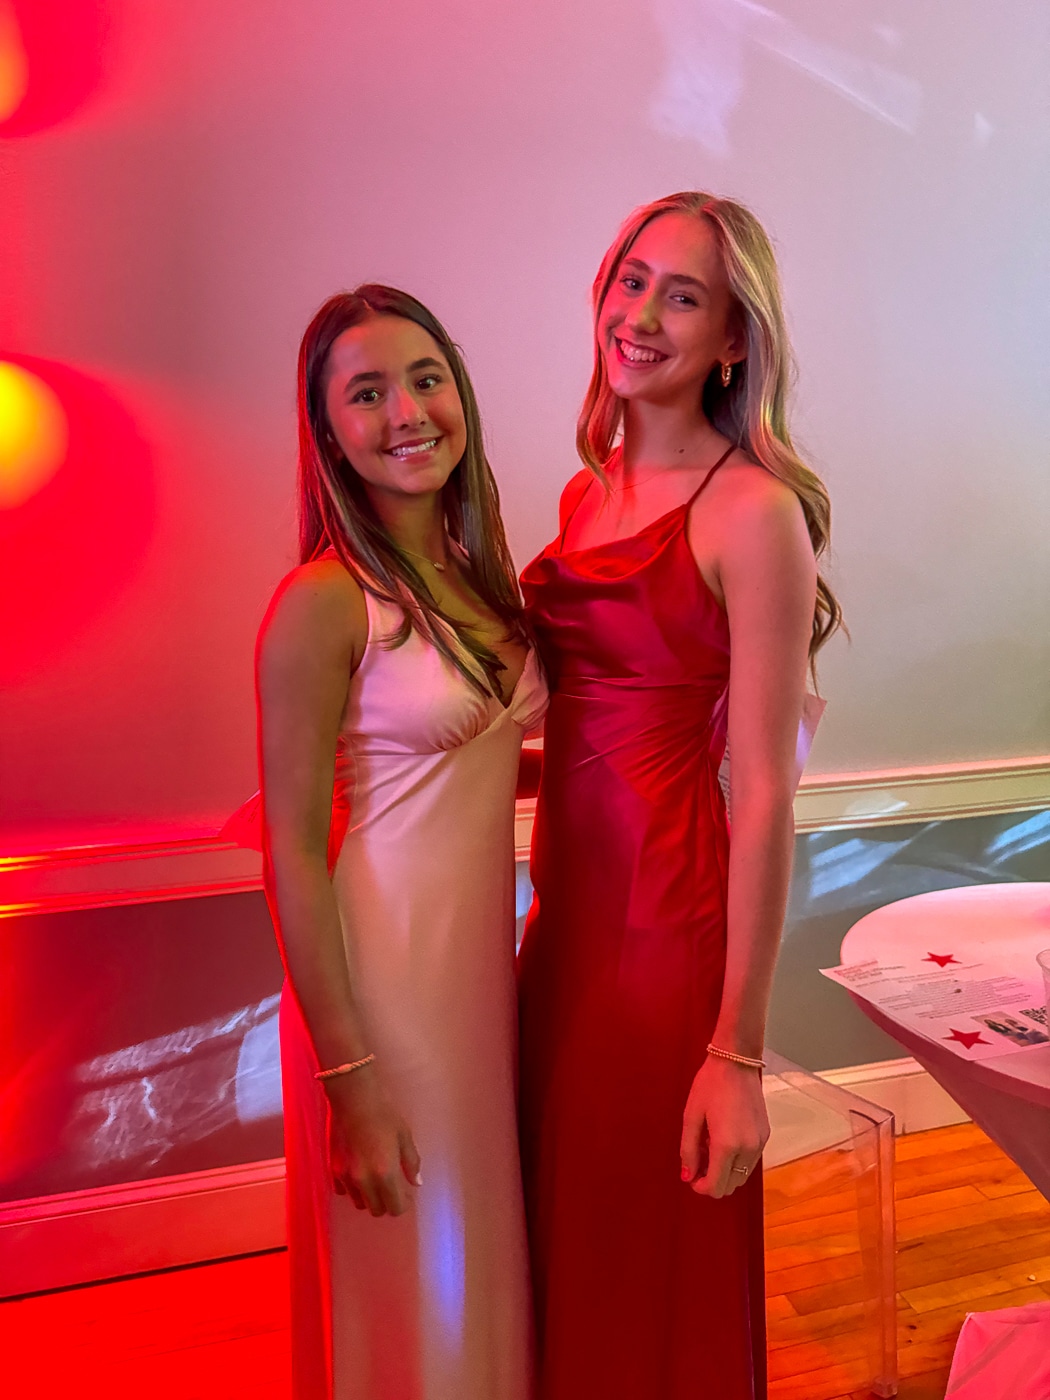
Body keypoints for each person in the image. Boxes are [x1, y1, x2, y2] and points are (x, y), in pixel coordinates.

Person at [517, 192, 843, 1400]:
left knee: (651, 1248)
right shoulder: (584, 493)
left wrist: (736, 1051)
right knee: (569, 1232)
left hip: (665, 936)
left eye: (685, 295)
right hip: (564, 927)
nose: (642, 314)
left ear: (734, 340)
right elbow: (584, 733)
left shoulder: (753, 511)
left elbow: (764, 796)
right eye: (632, 279)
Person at [256, 286, 546, 1399]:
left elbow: (472, 764)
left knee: (477, 1254)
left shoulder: (481, 583)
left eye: (426, 379)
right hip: (381, 993)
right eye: (367, 393)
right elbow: (291, 848)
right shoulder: (324, 601)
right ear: (328, 430)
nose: (408, 413)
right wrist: (350, 1077)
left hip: (477, 979)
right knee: (411, 1275)